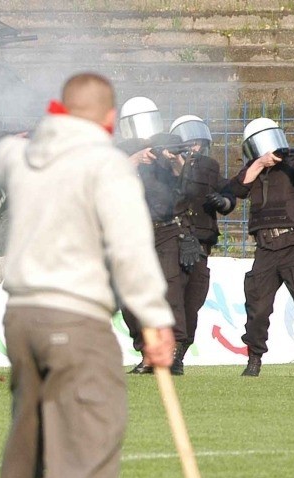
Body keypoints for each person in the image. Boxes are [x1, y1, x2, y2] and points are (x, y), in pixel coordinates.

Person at [0, 73, 175, 478]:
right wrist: (155, 320)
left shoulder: (23, 156)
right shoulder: (105, 164)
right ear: (110, 119)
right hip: (77, 317)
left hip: (21, 315)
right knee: (90, 447)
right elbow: (131, 248)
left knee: (29, 445)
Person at [223, 117, 294, 377]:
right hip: (266, 247)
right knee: (257, 307)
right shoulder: (253, 169)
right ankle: (254, 359)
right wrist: (260, 162)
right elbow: (236, 188)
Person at [116, 97, 186, 375]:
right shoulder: (117, 153)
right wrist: (134, 159)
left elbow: (184, 180)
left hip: (164, 229)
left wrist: (175, 158)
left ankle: (173, 353)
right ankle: (146, 350)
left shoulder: (165, 145)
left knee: (169, 292)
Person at [168, 114, 236, 373]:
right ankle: (165, 351)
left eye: (199, 144)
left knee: (192, 301)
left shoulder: (210, 173)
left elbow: (230, 193)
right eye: (190, 144)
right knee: (172, 299)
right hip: (175, 244)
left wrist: (224, 201)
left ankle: (179, 354)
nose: (196, 150)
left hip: (201, 247)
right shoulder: (168, 173)